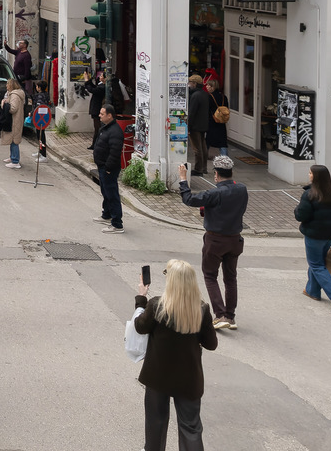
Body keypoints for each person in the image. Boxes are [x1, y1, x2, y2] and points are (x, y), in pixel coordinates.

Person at [134, 259, 218, 451]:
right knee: (191, 427)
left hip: (157, 376)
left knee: (156, 423)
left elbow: (140, 327)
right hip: (188, 379)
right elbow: (211, 344)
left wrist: (141, 297)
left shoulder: (157, 306)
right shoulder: (201, 309)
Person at [178, 155, 249, 330]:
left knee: (210, 275)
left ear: (216, 175)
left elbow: (189, 200)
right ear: (231, 173)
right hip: (234, 239)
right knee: (230, 277)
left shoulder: (213, 193)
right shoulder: (242, 189)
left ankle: (220, 315)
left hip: (215, 240)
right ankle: (230, 316)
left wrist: (182, 180)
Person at [294, 164, 331, 315]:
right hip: (330, 236)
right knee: (318, 263)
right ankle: (312, 291)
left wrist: (296, 210)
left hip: (314, 235)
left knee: (316, 265)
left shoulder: (310, 195)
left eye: (310, 173)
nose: (309, 175)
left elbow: (301, 215)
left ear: (315, 177)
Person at [92, 102, 124, 234]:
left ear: (109, 116)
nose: (99, 116)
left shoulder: (115, 131)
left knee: (112, 194)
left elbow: (115, 152)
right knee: (106, 192)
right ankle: (107, 214)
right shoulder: (106, 128)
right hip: (102, 166)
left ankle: (117, 224)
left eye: (102, 114)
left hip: (108, 167)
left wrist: (108, 167)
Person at [185, 75, 211, 176]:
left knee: (197, 148)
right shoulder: (204, 94)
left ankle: (198, 169)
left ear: (194, 83)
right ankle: (204, 168)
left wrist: (188, 126)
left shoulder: (195, 96)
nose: (189, 84)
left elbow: (192, 112)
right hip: (203, 124)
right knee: (203, 146)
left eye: (190, 82)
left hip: (195, 125)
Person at [0, 75, 26, 170]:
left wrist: (5, 104)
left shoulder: (15, 95)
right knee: (12, 139)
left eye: (7, 84)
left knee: (14, 140)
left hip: (15, 121)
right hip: (15, 120)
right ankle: (12, 157)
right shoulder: (15, 94)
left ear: (11, 85)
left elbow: (13, 109)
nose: (6, 85)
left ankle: (15, 161)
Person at [204, 77, 229, 162]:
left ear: (213, 87)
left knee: (208, 140)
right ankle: (225, 158)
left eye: (208, 85)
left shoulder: (209, 97)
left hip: (212, 121)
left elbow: (207, 110)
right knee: (223, 141)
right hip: (221, 121)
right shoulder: (223, 97)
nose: (207, 87)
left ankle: (204, 155)